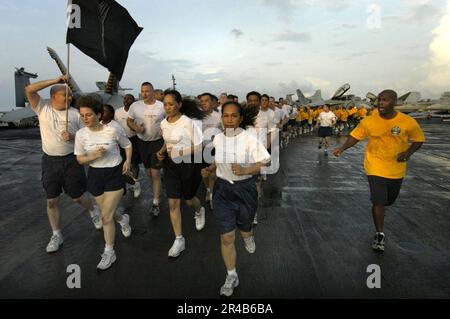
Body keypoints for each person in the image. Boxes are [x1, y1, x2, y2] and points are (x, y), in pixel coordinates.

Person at [333, 90, 425, 252]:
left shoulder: (407, 121)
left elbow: (418, 140)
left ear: (394, 102)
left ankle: (381, 212)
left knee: (389, 200)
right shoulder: (369, 121)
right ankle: (379, 234)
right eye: (378, 100)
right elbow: (355, 137)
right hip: (374, 165)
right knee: (378, 201)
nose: (379, 103)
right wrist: (342, 148)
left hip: (396, 168)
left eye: (384, 100)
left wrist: (407, 153)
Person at [24, 76, 101, 253]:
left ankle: (93, 209)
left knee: (78, 197)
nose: (69, 98)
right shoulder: (42, 108)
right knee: (52, 200)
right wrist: (56, 80)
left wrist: (73, 137)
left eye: (70, 95)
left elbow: (89, 135)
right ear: (53, 97)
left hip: (71, 160)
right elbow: (29, 90)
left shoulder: (75, 114)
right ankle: (56, 234)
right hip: (50, 161)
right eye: (64, 95)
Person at [202, 101, 270, 297]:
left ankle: (248, 236)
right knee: (227, 236)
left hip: (245, 190)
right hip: (222, 190)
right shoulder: (218, 139)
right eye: (226, 115)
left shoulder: (249, 139)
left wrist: (245, 170)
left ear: (240, 118)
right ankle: (231, 275)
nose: (229, 119)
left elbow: (264, 163)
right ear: (221, 118)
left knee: (244, 229)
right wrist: (210, 169)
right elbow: (218, 159)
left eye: (234, 116)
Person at [75, 96, 133, 270]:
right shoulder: (80, 134)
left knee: (105, 217)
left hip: (114, 174)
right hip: (95, 175)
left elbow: (128, 145)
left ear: (99, 114)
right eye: (82, 115)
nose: (85, 118)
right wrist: (91, 156)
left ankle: (109, 252)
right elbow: (79, 159)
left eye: (89, 115)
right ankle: (123, 219)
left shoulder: (112, 131)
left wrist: (127, 161)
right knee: (109, 212)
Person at [156, 90, 207, 258]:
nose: (168, 107)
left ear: (179, 105)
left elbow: (199, 147)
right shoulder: (164, 123)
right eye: (165, 104)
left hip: (188, 165)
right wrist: (162, 151)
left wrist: (180, 152)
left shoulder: (188, 123)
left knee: (190, 200)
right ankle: (179, 239)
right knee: (173, 203)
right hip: (170, 165)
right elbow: (167, 141)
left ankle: (199, 211)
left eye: (171, 104)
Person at [127, 82, 166, 217]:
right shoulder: (135, 106)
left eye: (147, 91)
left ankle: (155, 203)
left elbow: (170, 119)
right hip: (142, 143)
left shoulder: (161, 106)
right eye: (142, 91)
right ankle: (157, 186)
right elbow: (129, 121)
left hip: (157, 142)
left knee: (155, 174)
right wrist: (136, 128)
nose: (144, 93)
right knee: (149, 172)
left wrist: (164, 130)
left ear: (153, 92)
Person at [115, 94, 142, 198]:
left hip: (133, 139)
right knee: (122, 165)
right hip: (120, 141)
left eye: (129, 98)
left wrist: (136, 127)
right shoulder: (117, 111)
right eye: (125, 98)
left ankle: (135, 183)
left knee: (134, 164)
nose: (126, 100)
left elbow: (142, 125)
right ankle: (128, 183)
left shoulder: (137, 112)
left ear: (133, 101)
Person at [199, 92, 222, 208]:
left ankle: (212, 195)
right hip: (200, 150)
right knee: (204, 173)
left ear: (212, 103)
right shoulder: (197, 117)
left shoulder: (219, 117)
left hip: (214, 149)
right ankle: (208, 189)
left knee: (212, 174)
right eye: (201, 101)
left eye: (206, 101)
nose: (203, 103)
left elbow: (225, 132)